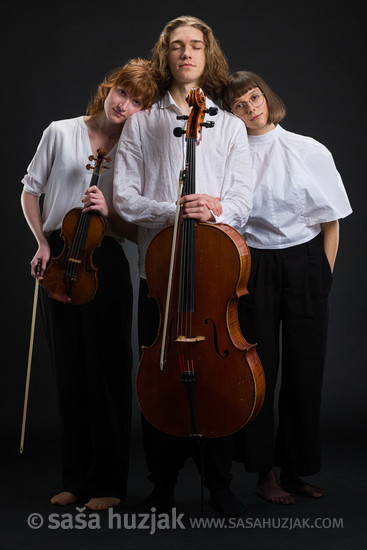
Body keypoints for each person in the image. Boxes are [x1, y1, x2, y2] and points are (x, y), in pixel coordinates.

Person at [113, 16, 253, 516]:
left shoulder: (231, 125)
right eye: (177, 47)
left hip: (216, 273)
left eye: (195, 46)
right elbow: (124, 199)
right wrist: (170, 209)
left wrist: (214, 206)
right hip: (162, 275)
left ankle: (219, 481)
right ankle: (163, 482)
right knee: (160, 372)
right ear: (166, 55)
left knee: (220, 374)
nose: (186, 54)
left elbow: (242, 199)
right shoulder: (141, 122)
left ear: (206, 54)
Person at [21, 59, 159, 511]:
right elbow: (31, 190)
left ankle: (108, 484)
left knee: (107, 373)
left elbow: (135, 227)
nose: (125, 106)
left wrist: (110, 210)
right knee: (70, 371)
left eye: (139, 102)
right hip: (60, 257)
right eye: (123, 93)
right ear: (109, 88)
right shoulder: (60, 131)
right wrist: (42, 243)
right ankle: (74, 480)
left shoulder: (135, 149)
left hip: (106, 259)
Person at [222, 71, 352, 504]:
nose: (250, 108)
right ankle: (265, 474)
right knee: (259, 371)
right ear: (231, 114)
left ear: (266, 96)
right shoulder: (231, 155)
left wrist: (324, 276)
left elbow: (331, 220)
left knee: (305, 369)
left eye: (254, 97)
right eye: (239, 105)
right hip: (253, 264)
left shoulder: (307, 148)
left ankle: (296, 469)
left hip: (307, 262)